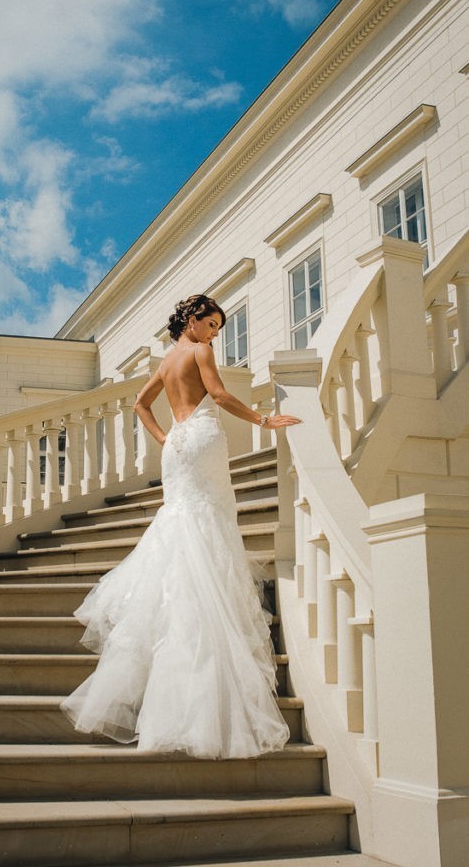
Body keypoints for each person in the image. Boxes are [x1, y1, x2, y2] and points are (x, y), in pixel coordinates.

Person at [60, 294, 302, 759]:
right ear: (191, 322)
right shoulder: (198, 353)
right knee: (208, 520)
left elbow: (139, 404)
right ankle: (209, 613)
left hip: (178, 446)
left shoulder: (168, 359)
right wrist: (264, 419)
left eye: (217, 328)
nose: (214, 334)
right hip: (204, 437)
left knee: (183, 521)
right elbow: (221, 393)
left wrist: (165, 437)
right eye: (210, 324)